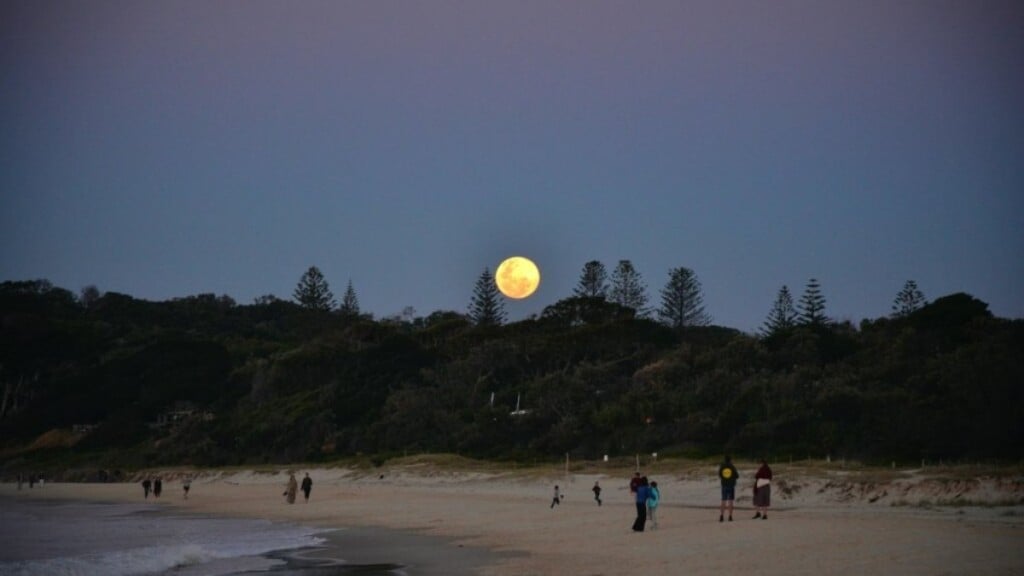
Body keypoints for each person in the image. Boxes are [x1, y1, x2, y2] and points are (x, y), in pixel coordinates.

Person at [718, 455, 738, 522]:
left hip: (724, 485)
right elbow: (737, 475)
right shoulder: (732, 466)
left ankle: (721, 516)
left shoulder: (722, 466)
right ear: (730, 460)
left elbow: (720, 475)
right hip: (731, 485)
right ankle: (730, 516)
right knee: (730, 501)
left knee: (723, 500)